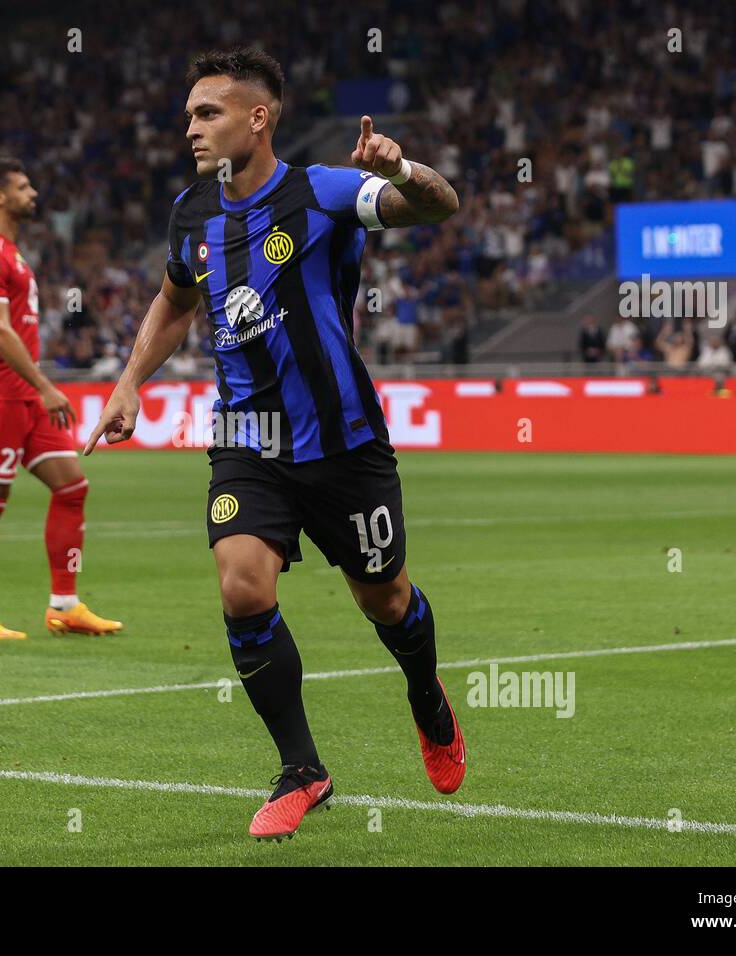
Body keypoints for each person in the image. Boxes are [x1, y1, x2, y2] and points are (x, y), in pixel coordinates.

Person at [85, 48, 464, 841]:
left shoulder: (324, 191)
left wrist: (402, 170)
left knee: (384, 599)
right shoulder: (192, 213)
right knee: (243, 588)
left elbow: (438, 205)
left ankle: (427, 699)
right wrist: (128, 382)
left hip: (344, 441)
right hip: (246, 439)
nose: (191, 127)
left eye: (207, 113)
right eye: (189, 114)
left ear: (258, 118)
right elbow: (173, 302)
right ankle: (303, 769)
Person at [0, 157, 122, 640]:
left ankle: (64, 605)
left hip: (24, 396)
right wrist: (45, 386)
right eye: (23, 187)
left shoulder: (10, 251)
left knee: (72, 488)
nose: (33, 193)